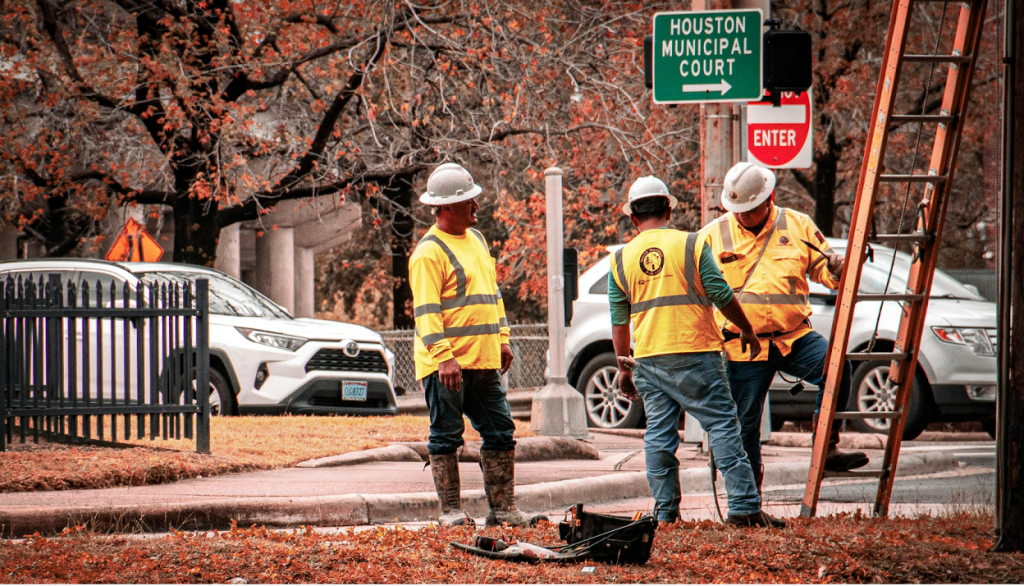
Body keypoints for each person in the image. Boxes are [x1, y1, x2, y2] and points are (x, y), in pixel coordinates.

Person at [611, 175, 785, 528]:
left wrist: (624, 369)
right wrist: (747, 330)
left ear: (633, 217)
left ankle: (665, 514)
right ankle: (743, 508)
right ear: (669, 209)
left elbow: (619, 323)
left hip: (649, 360)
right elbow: (721, 294)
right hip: (696, 353)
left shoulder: (620, 259)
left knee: (659, 436)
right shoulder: (692, 244)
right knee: (722, 426)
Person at [701, 162, 869, 496]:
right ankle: (749, 496)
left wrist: (840, 266)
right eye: (737, 210)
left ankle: (827, 447)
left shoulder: (797, 225)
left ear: (768, 199)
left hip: (793, 336)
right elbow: (700, 294)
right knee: (745, 425)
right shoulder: (712, 235)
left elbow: (828, 273)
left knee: (836, 367)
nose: (742, 216)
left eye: (749, 210)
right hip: (741, 345)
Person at [409, 162, 546, 528]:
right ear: (448, 207)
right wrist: (445, 360)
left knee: (501, 433)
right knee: (446, 437)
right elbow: (427, 313)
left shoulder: (478, 240)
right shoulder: (428, 253)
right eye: (470, 200)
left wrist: (503, 339)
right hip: (447, 368)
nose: (477, 206)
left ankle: (503, 511)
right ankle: (451, 512)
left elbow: (492, 295)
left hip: (484, 362)